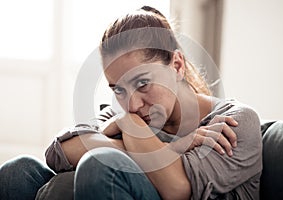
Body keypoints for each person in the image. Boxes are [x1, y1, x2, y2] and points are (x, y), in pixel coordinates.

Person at [0, 6, 262, 200]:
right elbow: (60, 152)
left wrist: (128, 132)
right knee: (18, 171)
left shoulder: (234, 122)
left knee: (98, 166)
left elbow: (176, 188)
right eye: (118, 89)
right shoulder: (122, 114)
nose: (133, 104)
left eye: (142, 83)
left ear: (177, 65)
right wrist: (166, 141)